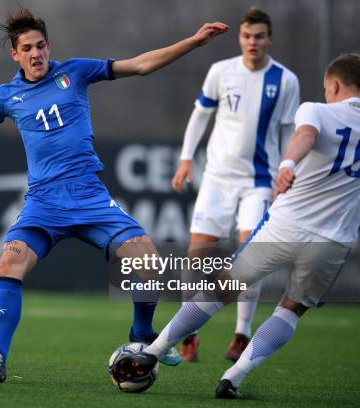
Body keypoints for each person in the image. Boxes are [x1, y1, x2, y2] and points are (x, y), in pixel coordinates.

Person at [0, 8, 228, 383]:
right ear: (15, 54)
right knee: (9, 264)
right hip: (43, 203)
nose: (36, 53)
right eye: (27, 48)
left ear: (48, 46)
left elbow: (139, 65)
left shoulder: (75, 71)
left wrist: (193, 41)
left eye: (40, 45)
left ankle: (141, 333)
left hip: (88, 196)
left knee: (150, 264)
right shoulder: (7, 96)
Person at [111, 53, 360, 399]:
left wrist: (288, 162)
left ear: (333, 85)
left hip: (285, 226)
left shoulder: (316, 109)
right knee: (291, 308)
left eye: (326, 89)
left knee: (219, 289)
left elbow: (305, 135)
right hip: (332, 242)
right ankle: (234, 376)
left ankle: (151, 354)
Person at [171, 7, 300, 362]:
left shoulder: (286, 80)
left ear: (269, 39)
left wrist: (287, 169)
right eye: (246, 36)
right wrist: (186, 158)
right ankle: (189, 333)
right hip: (216, 177)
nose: (252, 42)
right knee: (197, 254)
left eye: (259, 36)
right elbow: (201, 115)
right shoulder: (220, 72)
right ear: (240, 38)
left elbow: (289, 130)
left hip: (259, 181)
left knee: (250, 257)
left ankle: (241, 334)